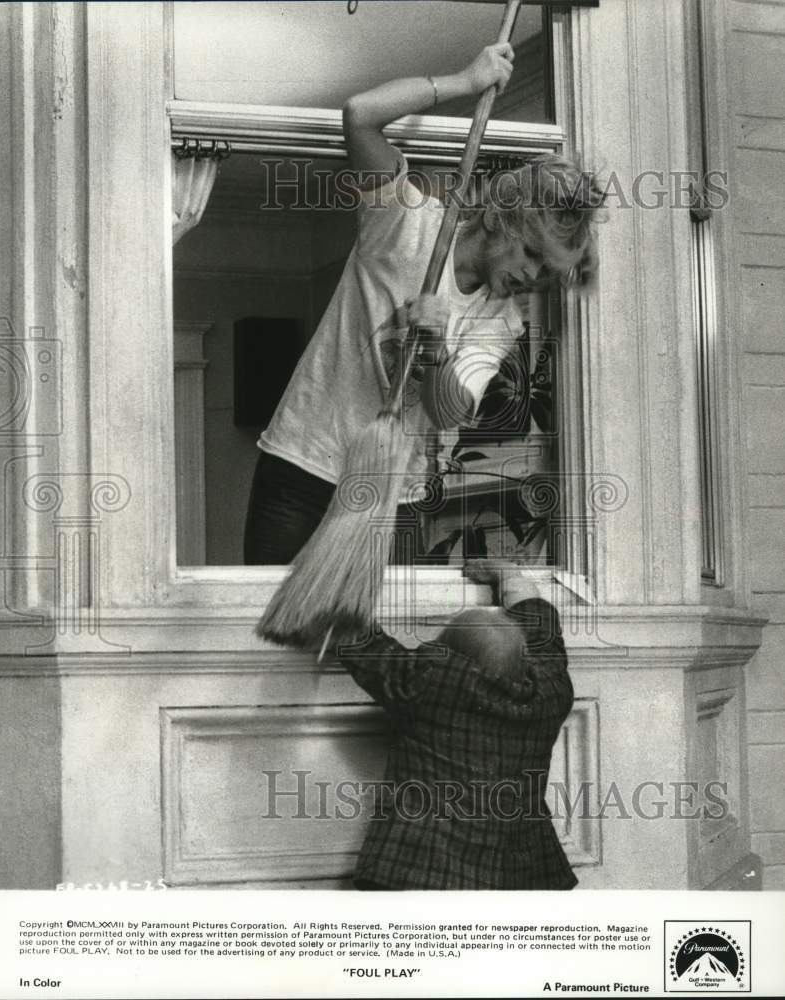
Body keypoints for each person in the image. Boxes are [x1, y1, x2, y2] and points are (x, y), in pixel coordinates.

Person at [244, 42, 604, 564]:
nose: (532, 276)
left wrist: (435, 352)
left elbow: (453, 409)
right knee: (267, 632)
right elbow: (360, 115)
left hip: (394, 493)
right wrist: (463, 80)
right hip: (303, 463)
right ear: (502, 217)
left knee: (370, 641)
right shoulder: (405, 222)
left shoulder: (500, 320)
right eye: (531, 253)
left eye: (547, 272)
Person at [337, 560, 576, 891]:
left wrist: (334, 582)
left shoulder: (433, 683)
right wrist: (510, 577)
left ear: (451, 652)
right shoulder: (551, 692)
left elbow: (368, 648)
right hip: (515, 876)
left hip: (425, 871)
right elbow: (544, 635)